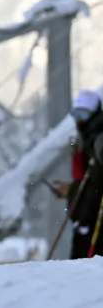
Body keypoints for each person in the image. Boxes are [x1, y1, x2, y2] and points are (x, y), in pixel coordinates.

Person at [49, 90, 103, 259]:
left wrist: (74, 190)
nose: (79, 119)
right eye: (76, 113)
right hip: (86, 212)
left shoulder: (98, 138)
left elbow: (96, 182)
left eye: (84, 113)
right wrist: (73, 189)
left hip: (94, 215)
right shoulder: (86, 137)